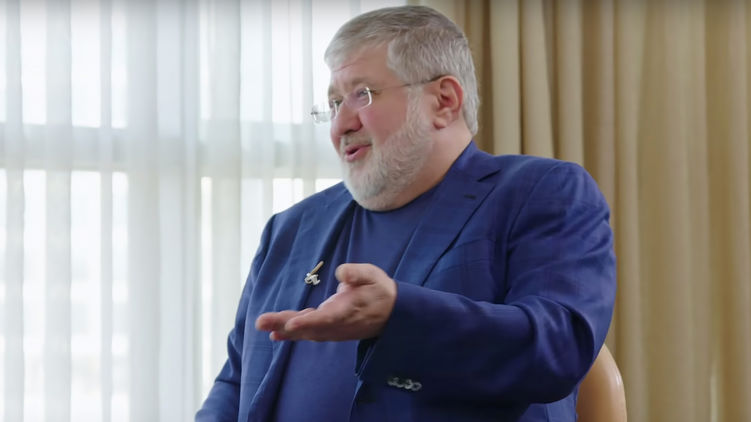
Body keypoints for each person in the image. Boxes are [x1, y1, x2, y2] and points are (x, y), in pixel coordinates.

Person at [196, 5, 615, 422]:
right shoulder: (290, 228)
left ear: (444, 101)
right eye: (334, 103)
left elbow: (561, 347)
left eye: (362, 95)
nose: (340, 125)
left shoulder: (539, 193)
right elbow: (236, 381)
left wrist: (398, 315)